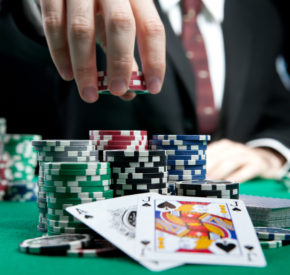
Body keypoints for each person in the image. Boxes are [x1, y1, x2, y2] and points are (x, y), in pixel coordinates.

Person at [0, 0, 289, 183]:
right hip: (105, 209)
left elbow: (278, 111)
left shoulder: (261, 11)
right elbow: (16, 46)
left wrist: (267, 152)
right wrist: (39, 10)